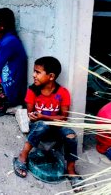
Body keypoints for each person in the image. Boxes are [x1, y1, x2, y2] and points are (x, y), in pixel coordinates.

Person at [13, 56, 83, 192]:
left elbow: (63, 118)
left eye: (38, 72)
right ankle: (22, 157)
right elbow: (30, 115)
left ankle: (71, 170)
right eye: (34, 71)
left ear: (51, 76)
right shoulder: (33, 90)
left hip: (56, 128)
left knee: (71, 136)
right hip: (38, 128)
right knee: (42, 125)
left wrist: (44, 116)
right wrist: (34, 117)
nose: (34, 75)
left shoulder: (62, 93)